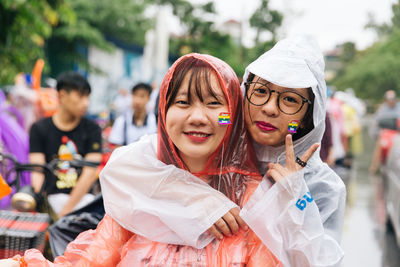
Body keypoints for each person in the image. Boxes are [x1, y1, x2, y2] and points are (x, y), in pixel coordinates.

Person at [5, 53, 296, 266]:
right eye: (182, 102)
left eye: (214, 104)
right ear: (164, 113)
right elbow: (89, 261)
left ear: (232, 115)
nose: (197, 117)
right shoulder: (142, 191)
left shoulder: (255, 202)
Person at [99, 36, 346, 267]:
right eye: (260, 91)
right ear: (243, 94)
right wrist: (195, 195)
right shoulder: (199, 144)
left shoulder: (319, 185)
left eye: (290, 99)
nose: (270, 108)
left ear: (307, 116)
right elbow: (121, 169)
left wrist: (295, 204)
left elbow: (321, 260)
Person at [28, 71, 102, 218]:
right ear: (62, 95)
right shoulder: (39, 128)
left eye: (87, 97)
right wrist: (40, 203)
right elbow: (37, 171)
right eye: (81, 96)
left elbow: (90, 173)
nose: (86, 103)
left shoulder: (92, 129)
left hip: (82, 200)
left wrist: (66, 212)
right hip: (51, 198)